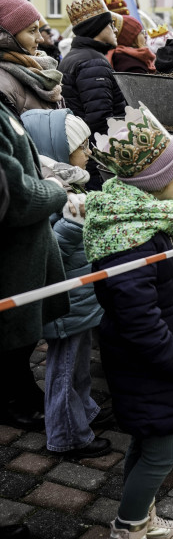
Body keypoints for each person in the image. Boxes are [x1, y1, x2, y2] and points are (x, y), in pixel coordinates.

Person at [84, 105, 173, 539]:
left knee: (148, 440)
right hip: (151, 364)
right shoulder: (133, 239)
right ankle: (131, 528)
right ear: (156, 182)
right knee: (163, 452)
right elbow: (139, 319)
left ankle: (141, 517)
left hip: (147, 361)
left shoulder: (139, 222)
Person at [21, 108, 110, 460]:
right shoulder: (46, 190)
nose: (87, 152)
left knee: (79, 363)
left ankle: (83, 409)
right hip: (64, 297)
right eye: (81, 146)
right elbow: (47, 246)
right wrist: (75, 225)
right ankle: (67, 434)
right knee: (63, 368)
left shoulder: (73, 182)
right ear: (58, 148)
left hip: (79, 294)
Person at [0, 100, 69, 431]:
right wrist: (55, 189)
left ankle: (20, 388)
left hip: (23, 247)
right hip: (10, 251)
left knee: (20, 333)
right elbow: (17, 198)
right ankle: (13, 400)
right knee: (12, 331)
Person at [59, 0, 126, 190]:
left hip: (83, 156)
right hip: (97, 163)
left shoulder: (74, 57)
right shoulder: (93, 61)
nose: (115, 29)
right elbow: (101, 120)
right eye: (110, 24)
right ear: (97, 28)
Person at [0, 0, 63, 115]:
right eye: (32, 30)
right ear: (10, 35)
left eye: (38, 29)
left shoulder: (40, 67)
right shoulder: (3, 83)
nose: (40, 38)